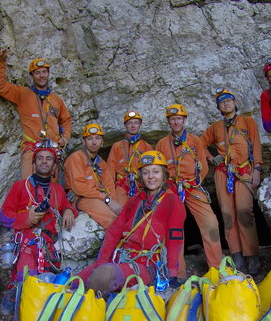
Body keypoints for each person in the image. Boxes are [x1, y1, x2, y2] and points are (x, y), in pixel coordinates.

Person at [78, 151, 186, 296]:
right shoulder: (135, 201)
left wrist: (171, 272)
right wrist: (101, 261)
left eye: (156, 172)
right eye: (146, 172)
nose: (151, 176)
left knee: (103, 275)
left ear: (164, 175)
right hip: (120, 258)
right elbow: (114, 232)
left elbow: (175, 239)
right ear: (140, 176)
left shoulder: (172, 202)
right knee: (76, 280)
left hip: (147, 265)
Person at [0, 139, 77, 313]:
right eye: (40, 158)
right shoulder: (20, 187)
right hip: (28, 243)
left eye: (48, 159)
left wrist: (69, 210)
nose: (44, 161)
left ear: (55, 166)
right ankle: (18, 299)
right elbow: (4, 216)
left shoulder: (57, 191)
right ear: (33, 165)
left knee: (52, 289)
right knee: (29, 281)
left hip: (49, 247)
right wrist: (27, 218)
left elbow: (65, 206)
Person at [201, 89, 263, 274]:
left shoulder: (247, 122)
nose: (226, 104)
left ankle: (252, 255)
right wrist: (211, 158)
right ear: (219, 107)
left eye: (229, 100)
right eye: (222, 102)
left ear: (235, 103)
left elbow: (257, 144)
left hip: (243, 171)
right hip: (223, 173)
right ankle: (237, 256)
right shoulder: (215, 128)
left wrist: (257, 168)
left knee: (244, 213)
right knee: (228, 216)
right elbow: (199, 143)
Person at [156, 104, 223, 275]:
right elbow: (158, 170)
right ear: (168, 121)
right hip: (171, 188)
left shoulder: (195, 140)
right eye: (172, 119)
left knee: (210, 222)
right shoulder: (162, 144)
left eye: (179, 118)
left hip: (192, 186)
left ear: (184, 120)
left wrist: (195, 181)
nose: (176, 122)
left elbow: (204, 165)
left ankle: (216, 268)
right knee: (174, 227)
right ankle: (177, 272)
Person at [0, 48, 72, 179]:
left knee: (50, 192)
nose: (41, 76)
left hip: (51, 152)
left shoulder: (56, 100)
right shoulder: (22, 94)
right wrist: (1, 63)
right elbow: (1, 88)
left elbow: (66, 120)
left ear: (48, 74)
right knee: (29, 189)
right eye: (37, 73)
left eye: (44, 72)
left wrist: (65, 138)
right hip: (31, 149)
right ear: (32, 76)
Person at [64, 123, 122, 228]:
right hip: (81, 198)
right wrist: (107, 199)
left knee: (121, 215)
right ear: (84, 141)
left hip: (98, 197)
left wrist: (115, 204)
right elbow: (79, 188)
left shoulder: (101, 162)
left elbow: (109, 186)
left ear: (102, 141)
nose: (94, 142)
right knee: (111, 219)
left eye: (98, 138)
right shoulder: (76, 158)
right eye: (90, 139)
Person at [107, 110, 153, 205]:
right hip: (122, 185)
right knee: (119, 210)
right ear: (125, 125)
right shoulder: (117, 146)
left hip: (140, 185)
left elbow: (151, 169)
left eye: (136, 123)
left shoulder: (146, 147)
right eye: (130, 123)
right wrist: (110, 191)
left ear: (140, 125)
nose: (133, 126)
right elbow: (110, 170)